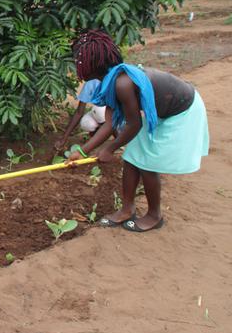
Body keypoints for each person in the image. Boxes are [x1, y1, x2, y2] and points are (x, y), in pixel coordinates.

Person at [66, 30, 209, 232]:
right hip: (165, 110)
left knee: (147, 162)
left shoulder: (122, 83)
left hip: (183, 111)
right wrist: (81, 151)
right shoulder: (111, 80)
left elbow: (135, 125)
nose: (76, 65)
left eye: (78, 61)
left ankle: (154, 215)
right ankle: (127, 209)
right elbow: (109, 124)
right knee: (133, 156)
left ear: (90, 64)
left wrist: (110, 149)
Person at [54, 79, 105, 151]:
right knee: (86, 123)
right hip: (103, 114)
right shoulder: (90, 84)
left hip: (120, 117)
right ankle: (95, 140)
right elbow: (79, 113)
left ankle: (116, 138)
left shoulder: (114, 79)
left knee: (100, 111)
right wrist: (64, 138)